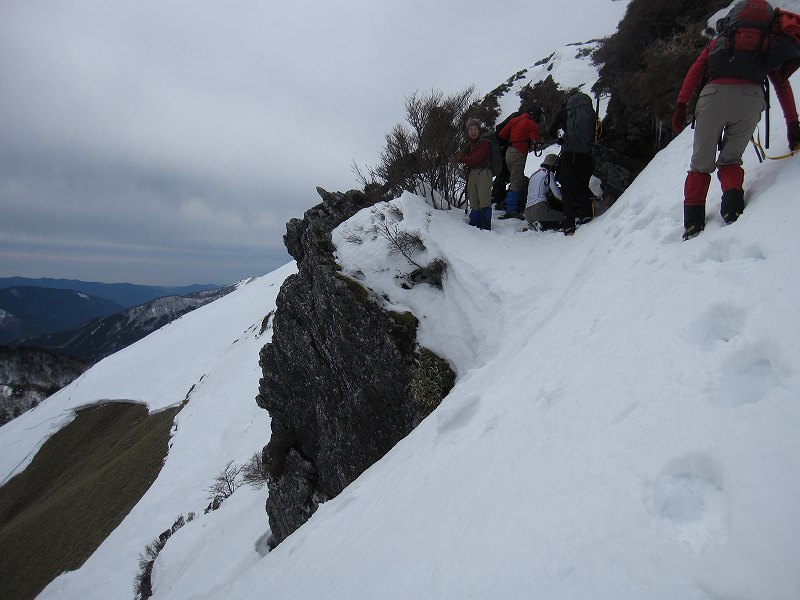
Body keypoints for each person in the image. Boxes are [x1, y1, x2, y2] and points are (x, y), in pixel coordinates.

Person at [673, 0, 800, 240]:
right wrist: (792, 124)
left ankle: (693, 223)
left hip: (713, 97)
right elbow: (782, 85)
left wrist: (681, 105)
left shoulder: (720, 42)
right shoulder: (766, 46)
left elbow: (695, 70)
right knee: (731, 159)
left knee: (701, 163)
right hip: (750, 100)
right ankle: (732, 208)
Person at [547, 92, 597, 236]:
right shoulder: (590, 113)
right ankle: (586, 216)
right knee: (582, 186)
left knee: (567, 189)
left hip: (570, 155)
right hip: (587, 155)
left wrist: (560, 140)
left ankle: (569, 225)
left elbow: (551, 131)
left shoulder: (565, 111)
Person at [498, 106, 542, 218]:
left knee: (516, 178)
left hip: (509, 152)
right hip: (519, 152)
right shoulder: (530, 123)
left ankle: (507, 203)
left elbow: (502, 134)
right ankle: (511, 209)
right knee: (516, 181)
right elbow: (535, 138)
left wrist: (513, 137)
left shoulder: (514, 120)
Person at [457, 118, 493, 230]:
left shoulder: (484, 143)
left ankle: (486, 229)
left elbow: (475, 159)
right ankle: (475, 228)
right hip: (473, 173)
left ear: (479, 130)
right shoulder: (470, 145)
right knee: (474, 202)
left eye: (475, 129)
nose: (473, 132)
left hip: (483, 172)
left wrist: (461, 159)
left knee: (484, 202)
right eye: (470, 130)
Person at [524, 154, 565, 230]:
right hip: (539, 209)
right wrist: (568, 202)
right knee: (565, 217)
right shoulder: (548, 174)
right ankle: (542, 224)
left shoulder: (534, 174)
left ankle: (535, 224)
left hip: (527, 213)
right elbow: (557, 194)